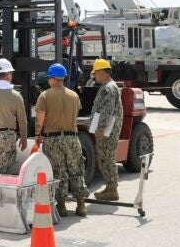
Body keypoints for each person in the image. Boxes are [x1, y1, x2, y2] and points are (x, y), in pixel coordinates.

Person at [34, 63, 87, 217]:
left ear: (51, 79)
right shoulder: (74, 95)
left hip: (53, 139)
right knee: (76, 170)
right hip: (72, 138)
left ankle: (62, 207)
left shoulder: (45, 95)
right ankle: (81, 205)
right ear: (62, 78)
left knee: (58, 171)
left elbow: (40, 118)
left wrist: (38, 135)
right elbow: (74, 115)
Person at [90, 59, 123, 202]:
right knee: (106, 157)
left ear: (102, 73)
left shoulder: (109, 88)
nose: (94, 77)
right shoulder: (108, 86)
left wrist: (100, 128)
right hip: (108, 128)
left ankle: (112, 188)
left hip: (107, 129)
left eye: (95, 73)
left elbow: (107, 111)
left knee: (106, 157)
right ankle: (110, 187)